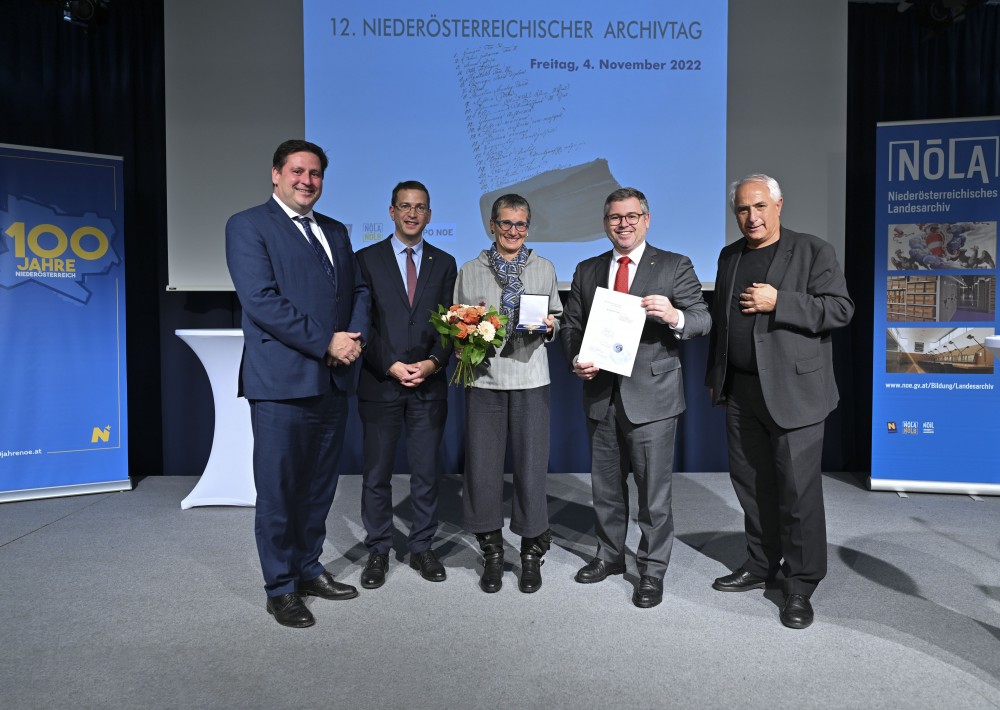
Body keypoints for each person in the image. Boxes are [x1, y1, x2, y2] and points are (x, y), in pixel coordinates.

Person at [225, 139, 370, 628]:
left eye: (315, 174)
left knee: (318, 488)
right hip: (282, 383)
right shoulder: (247, 226)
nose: (307, 181)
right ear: (276, 174)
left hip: (333, 382)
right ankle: (280, 587)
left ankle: (309, 569)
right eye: (297, 171)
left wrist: (353, 340)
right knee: (280, 490)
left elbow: (359, 291)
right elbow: (261, 301)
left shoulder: (335, 229)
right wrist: (327, 342)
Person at [706, 173, 854, 629]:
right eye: (743, 210)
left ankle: (802, 582)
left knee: (797, 492)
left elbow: (840, 310)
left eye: (760, 207)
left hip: (796, 394)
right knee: (751, 486)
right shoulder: (730, 255)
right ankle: (760, 564)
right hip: (742, 392)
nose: (751, 217)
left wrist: (780, 301)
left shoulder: (813, 250)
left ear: (779, 205)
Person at [561, 187, 711, 609]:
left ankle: (651, 570)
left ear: (646, 219)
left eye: (631, 216)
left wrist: (674, 315)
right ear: (605, 223)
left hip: (654, 399)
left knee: (653, 495)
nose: (623, 224)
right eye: (614, 217)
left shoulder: (674, 265)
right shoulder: (587, 269)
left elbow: (702, 319)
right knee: (605, 490)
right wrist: (577, 356)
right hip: (600, 395)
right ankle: (609, 556)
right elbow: (572, 325)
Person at [454, 193, 562, 594]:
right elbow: (455, 323)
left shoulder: (544, 267)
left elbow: (557, 319)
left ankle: (531, 552)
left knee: (532, 468)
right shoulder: (470, 269)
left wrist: (549, 325)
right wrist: (465, 333)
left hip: (532, 378)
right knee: (482, 470)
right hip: (485, 380)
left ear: (527, 228)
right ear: (492, 226)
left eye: (521, 224)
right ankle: (493, 551)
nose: (513, 231)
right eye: (506, 224)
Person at [355, 181, 457, 589]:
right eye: (405, 206)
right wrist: (391, 364)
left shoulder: (444, 262)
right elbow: (362, 323)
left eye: (420, 208)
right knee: (377, 474)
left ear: (429, 215)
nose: (413, 214)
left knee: (426, 473)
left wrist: (433, 363)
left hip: (429, 385)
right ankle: (378, 549)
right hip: (381, 381)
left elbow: (451, 324)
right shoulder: (365, 259)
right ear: (392, 212)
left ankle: (421, 547)